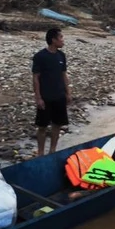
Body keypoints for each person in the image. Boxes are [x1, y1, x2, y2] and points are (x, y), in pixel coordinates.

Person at [32, 27, 71, 157]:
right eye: (61, 37)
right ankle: (41, 153)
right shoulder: (40, 56)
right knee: (42, 126)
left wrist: (68, 93)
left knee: (57, 124)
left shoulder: (61, 56)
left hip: (59, 95)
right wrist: (38, 98)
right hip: (46, 96)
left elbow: (64, 75)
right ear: (53, 40)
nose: (63, 40)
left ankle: (53, 150)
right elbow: (36, 77)